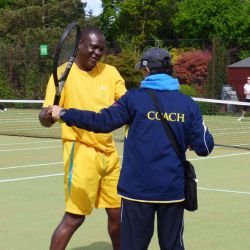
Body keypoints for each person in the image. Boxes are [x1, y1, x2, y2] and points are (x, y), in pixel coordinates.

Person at [50, 47, 214, 250]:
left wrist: (65, 113)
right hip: (172, 190)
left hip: (137, 191)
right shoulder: (188, 104)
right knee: (172, 246)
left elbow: (101, 122)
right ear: (170, 71)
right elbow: (205, 146)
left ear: (146, 71)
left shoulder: (133, 99)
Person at [39, 26, 126, 250]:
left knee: (119, 214)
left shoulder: (111, 72)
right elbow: (45, 114)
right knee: (75, 217)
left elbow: (126, 105)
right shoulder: (61, 75)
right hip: (80, 153)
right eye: (93, 47)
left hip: (110, 153)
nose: (97, 53)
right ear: (80, 45)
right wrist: (47, 116)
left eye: (102, 49)